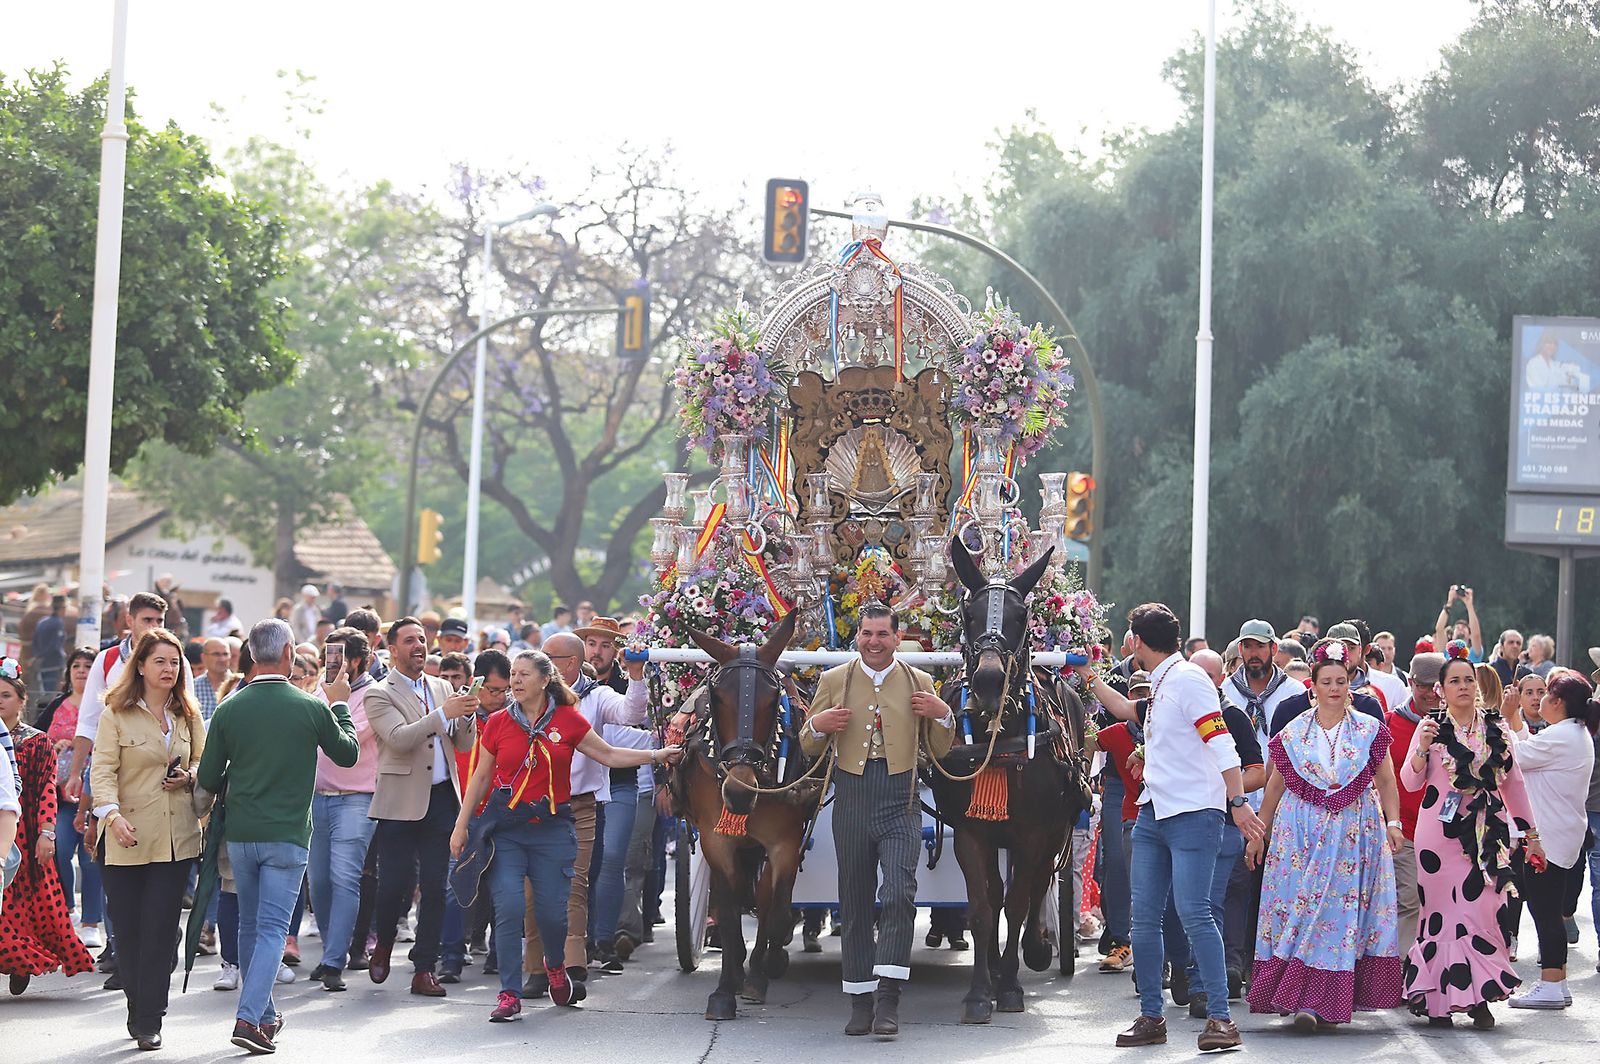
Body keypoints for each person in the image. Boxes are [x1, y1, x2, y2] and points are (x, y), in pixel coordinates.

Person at [450, 649, 680, 1021]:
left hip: (553, 830)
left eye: (525, 674)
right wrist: (461, 826)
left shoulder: (568, 720)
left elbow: (608, 755)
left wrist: (657, 755)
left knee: (553, 915)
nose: (517, 681)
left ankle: (555, 967)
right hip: (508, 831)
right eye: (514, 675)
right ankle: (509, 994)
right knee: (509, 909)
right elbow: (480, 777)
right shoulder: (497, 723)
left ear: (545, 680)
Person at [1077, 602, 1265, 1053]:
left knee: (1195, 913)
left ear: (1137, 643)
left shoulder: (1187, 681)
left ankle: (1221, 1020)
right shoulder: (1165, 683)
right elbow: (1126, 709)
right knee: (1145, 919)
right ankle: (1151, 1016)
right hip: (1153, 813)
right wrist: (1088, 675)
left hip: (1194, 816)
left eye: (1129, 638)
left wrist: (1237, 802)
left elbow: (1222, 744)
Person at [197, 618, 360, 1052]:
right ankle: (249, 1018)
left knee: (252, 928)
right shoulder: (309, 705)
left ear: (250, 654)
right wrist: (340, 702)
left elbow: (209, 776)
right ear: (289, 653)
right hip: (287, 834)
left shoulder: (230, 707)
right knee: (269, 929)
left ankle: (264, 1013)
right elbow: (347, 753)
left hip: (242, 834)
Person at [800, 604, 953, 1038]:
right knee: (854, 900)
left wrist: (941, 713)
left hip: (900, 799)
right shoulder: (835, 680)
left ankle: (889, 998)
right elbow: (808, 747)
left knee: (901, 893)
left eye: (882, 634)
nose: (873, 641)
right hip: (851, 800)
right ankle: (860, 1001)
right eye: (866, 633)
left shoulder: (918, 681)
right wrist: (818, 724)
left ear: (896, 636)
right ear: (858, 636)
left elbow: (941, 750)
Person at [1245, 639, 1403, 1029]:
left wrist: (1393, 822)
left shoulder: (1369, 729)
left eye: (1341, 681)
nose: (1334, 688)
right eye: (1326, 681)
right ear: (1312, 686)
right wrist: (1258, 833)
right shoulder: (1292, 732)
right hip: (1298, 833)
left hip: (1354, 833)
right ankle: (1298, 997)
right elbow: (1275, 786)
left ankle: (1323, 1002)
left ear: (1350, 683)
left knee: (1338, 912)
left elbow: (1386, 780)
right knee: (1298, 908)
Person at [1401, 654, 1542, 1030]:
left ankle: (1479, 997)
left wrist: (1531, 835)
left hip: (1486, 836)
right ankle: (1438, 1002)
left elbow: (1514, 786)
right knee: (1441, 919)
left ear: (1476, 686)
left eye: (1468, 680)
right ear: (1441, 690)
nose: (1463, 686)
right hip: (1438, 838)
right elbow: (1410, 782)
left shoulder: (1496, 729)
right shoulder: (1430, 728)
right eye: (1455, 681)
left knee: (1483, 910)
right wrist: (1420, 749)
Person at [88, 628, 206, 1051]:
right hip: (125, 837)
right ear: (140, 665)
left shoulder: (188, 715)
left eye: (174, 662)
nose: (168, 669)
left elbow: (203, 763)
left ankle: (150, 1017)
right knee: (131, 932)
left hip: (176, 841)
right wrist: (111, 815)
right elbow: (101, 770)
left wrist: (191, 776)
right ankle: (137, 1001)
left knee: (159, 929)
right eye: (160, 661)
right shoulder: (115, 714)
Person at [522, 633, 649, 996]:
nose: (538, 661)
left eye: (548, 656)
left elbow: (632, 713)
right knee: (534, 892)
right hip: (533, 808)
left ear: (570, 664)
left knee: (574, 886)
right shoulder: (529, 697)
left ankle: (573, 965)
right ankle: (536, 969)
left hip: (579, 806)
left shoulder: (596, 696)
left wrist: (636, 676)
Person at [362, 617, 479, 998]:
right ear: (392, 649)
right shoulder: (379, 693)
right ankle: (382, 942)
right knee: (393, 884)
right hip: (399, 801)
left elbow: (461, 745)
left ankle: (424, 967)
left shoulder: (443, 685)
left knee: (436, 886)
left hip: (443, 799)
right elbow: (398, 738)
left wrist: (468, 714)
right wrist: (445, 712)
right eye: (409, 640)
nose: (419, 646)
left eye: (422, 640)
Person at [1501, 671, 1598, 1009]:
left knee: (1545, 913)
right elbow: (1528, 747)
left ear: (1557, 702)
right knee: (1549, 909)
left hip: (1551, 838)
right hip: (1562, 833)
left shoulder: (1563, 736)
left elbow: (1515, 758)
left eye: (1545, 692)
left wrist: (1503, 717)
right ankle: (1559, 983)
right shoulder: (1571, 733)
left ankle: (1552, 984)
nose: (1539, 698)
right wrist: (1514, 719)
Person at [0, 658, 93, 995]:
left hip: (23, 834)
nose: (0, 700)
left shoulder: (36, 741)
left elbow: (45, 791)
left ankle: (19, 961)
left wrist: (46, 832)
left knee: (27, 903)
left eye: (6, 694)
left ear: (22, 700)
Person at [304, 627, 380, 993]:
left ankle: (335, 960)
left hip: (358, 797)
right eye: (328, 654)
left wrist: (336, 700)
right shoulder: (321, 688)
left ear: (357, 660)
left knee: (344, 877)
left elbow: (340, 740)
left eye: (339, 656)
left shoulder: (374, 695)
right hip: (317, 796)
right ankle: (330, 951)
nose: (331, 662)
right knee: (318, 881)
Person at [37, 648, 103, 948]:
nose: (81, 671)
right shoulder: (57, 705)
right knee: (59, 850)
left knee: (91, 861)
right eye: (75, 666)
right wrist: (55, 744)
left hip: (98, 797)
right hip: (62, 799)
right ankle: (67, 908)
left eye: (88, 666)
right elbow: (35, 740)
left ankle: (92, 921)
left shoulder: (105, 707)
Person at [1386, 652, 1445, 953]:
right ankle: (1404, 970)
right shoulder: (1389, 723)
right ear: (1410, 683)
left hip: (1446, 832)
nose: (1431, 692)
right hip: (1405, 830)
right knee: (1408, 900)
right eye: (1424, 684)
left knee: (1441, 903)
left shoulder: (1457, 725)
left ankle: (1434, 970)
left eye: (1437, 685)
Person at [574, 616, 629, 694]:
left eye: (605, 646)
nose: (597, 651)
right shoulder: (571, 679)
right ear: (584, 646)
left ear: (616, 651)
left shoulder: (626, 686)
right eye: (592, 644)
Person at [31, 595, 68, 705]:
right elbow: (55, 645)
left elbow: (35, 641)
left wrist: (38, 656)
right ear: (61, 608)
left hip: (42, 664)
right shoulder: (58, 623)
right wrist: (63, 656)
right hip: (54, 663)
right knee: (52, 694)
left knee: (43, 692)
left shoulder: (42, 622)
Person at [1431, 586, 1483, 663]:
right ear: (1451, 635)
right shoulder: (1445, 652)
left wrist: (1469, 605)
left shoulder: (1474, 652)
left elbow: (1476, 635)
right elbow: (1439, 629)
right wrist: (1449, 602)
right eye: (1457, 627)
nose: (1461, 628)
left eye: (1464, 627)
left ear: (1470, 636)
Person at [193, 638, 232, 723]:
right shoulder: (193, 687)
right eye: (216, 654)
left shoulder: (237, 685)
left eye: (225, 654)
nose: (222, 659)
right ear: (203, 657)